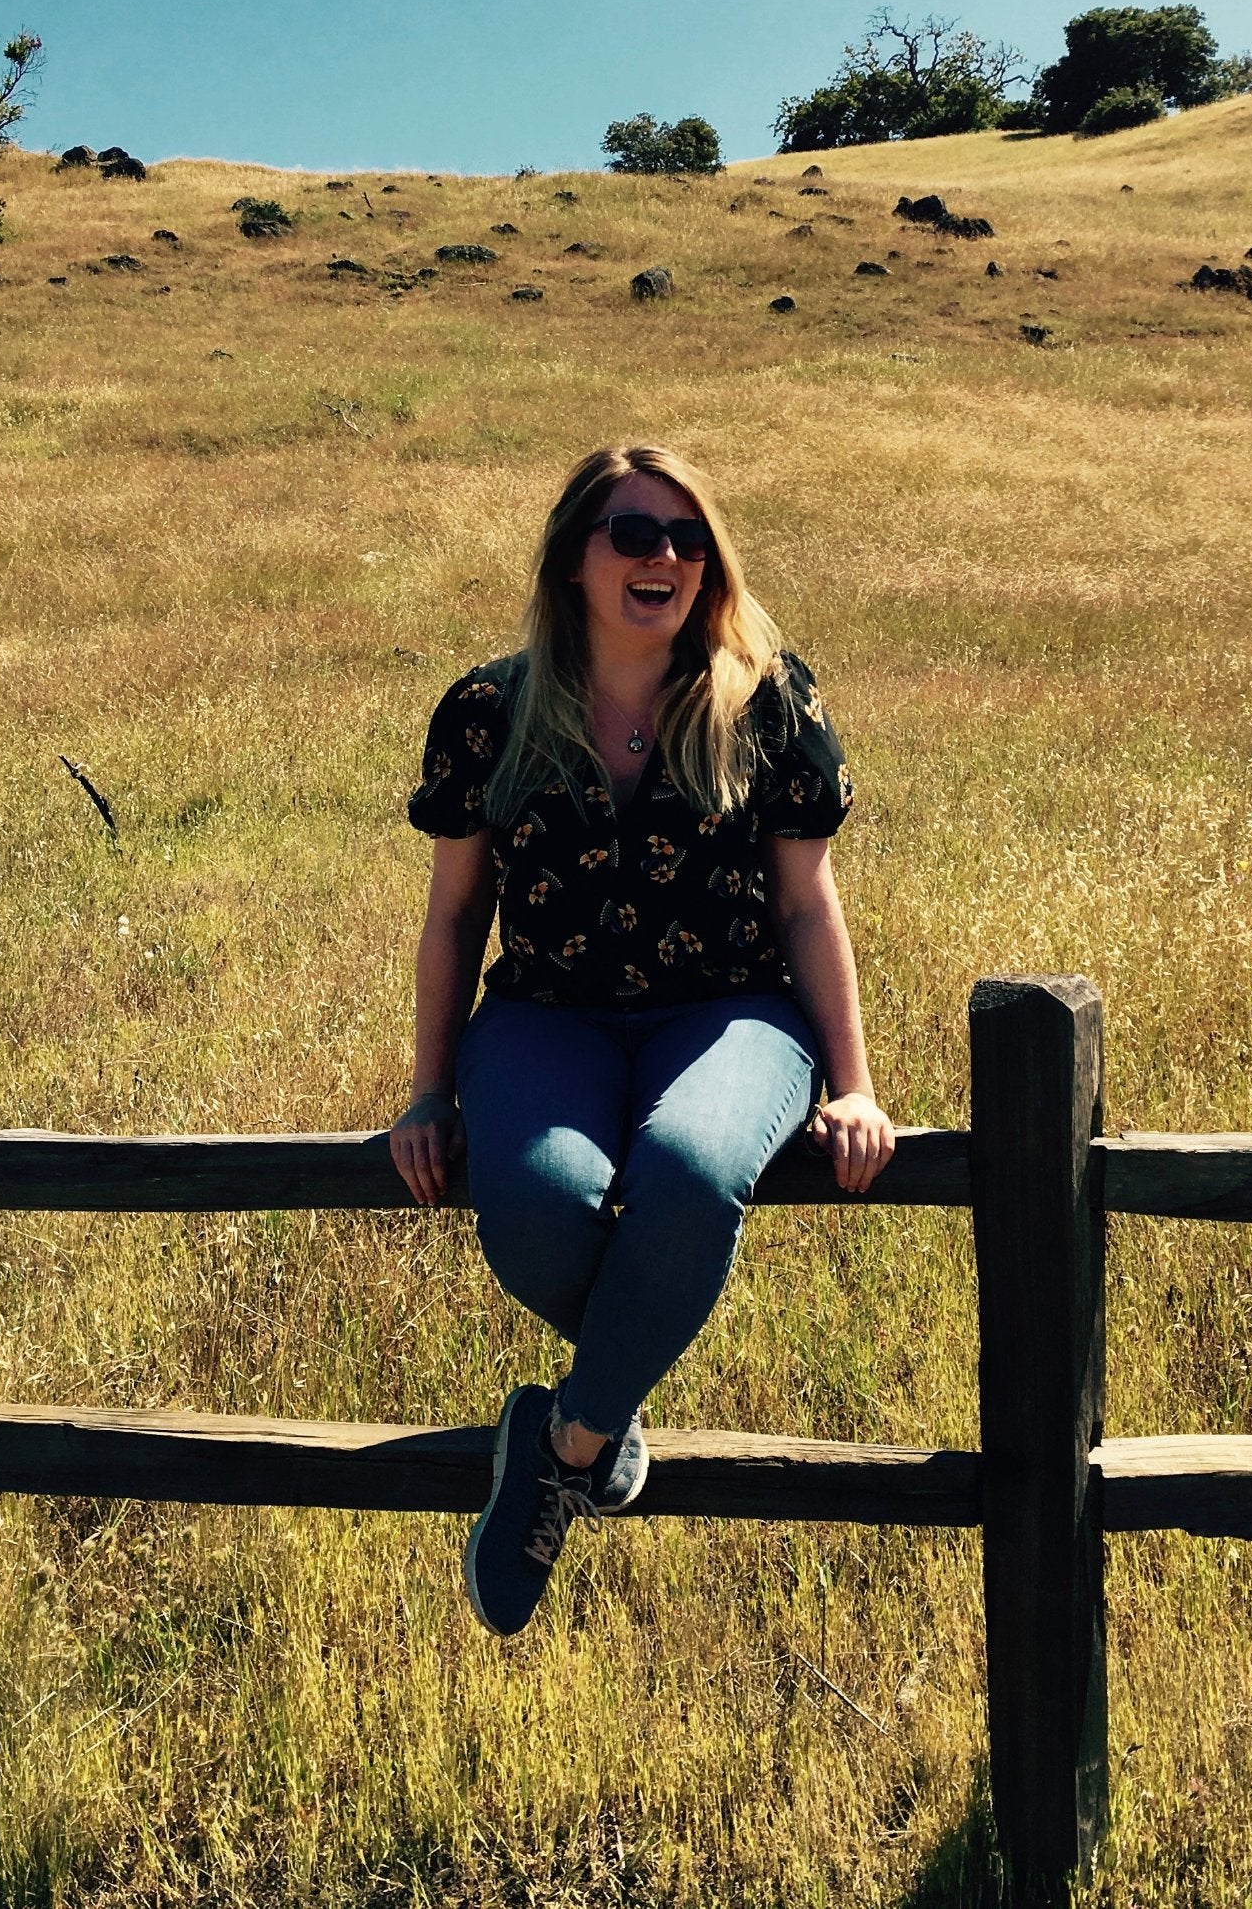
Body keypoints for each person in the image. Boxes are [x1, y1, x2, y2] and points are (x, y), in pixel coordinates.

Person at [389, 441, 896, 1636]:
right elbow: (456, 913)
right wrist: (425, 1091)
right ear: (573, 559)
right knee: (536, 1204)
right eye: (630, 533)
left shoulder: (768, 700)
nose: (661, 556)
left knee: (691, 1169)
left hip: (732, 1012)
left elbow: (805, 903)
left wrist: (859, 1086)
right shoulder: (486, 712)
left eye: (685, 538)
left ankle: (563, 1443)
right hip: (545, 1016)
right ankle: (610, 1398)